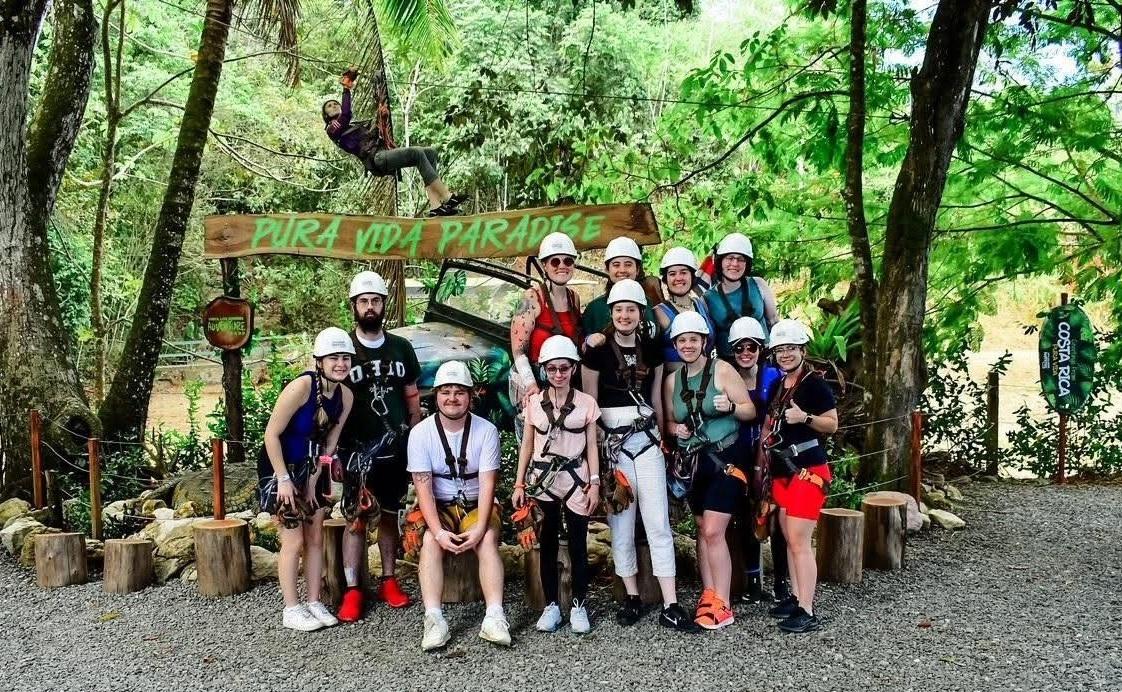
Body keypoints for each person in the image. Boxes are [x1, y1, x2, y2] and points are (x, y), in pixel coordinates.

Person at [581, 280, 698, 632]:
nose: (625, 315)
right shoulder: (597, 352)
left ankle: (671, 602)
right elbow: (590, 402)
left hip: (646, 437)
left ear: (639, 313)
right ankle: (631, 595)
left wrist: (664, 436)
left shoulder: (653, 349)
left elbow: (658, 396)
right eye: (619, 310)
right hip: (613, 441)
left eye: (631, 309)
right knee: (621, 522)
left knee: (658, 520)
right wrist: (597, 448)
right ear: (611, 313)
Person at [405, 361, 510, 651]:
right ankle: (434, 618)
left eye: (459, 392)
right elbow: (423, 487)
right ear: (436, 395)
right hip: (438, 504)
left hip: (477, 502)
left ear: (470, 396)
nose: (452, 398)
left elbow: (488, 484)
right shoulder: (421, 434)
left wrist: (478, 529)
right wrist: (438, 532)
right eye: (446, 392)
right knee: (429, 540)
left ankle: (494, 616)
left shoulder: (486, 431)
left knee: (487, 537)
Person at [337, 270, 423, 621]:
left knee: (389, 514)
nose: (370, 307)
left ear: (383, 304)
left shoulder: (401, 347)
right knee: (356, 517)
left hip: (396, 446)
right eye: (363, 302)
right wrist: (333, 452)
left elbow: (412, 395)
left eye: (375, 301)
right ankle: (354, 588)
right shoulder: (344, 348)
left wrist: (416, 437)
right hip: (356, 449)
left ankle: (388, 579)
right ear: (354, 306)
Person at [257, 327, 355, 631]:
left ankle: (313, 600)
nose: (340, 364)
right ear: (319, 360)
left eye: (345, 358)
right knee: (293, 537)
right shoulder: (301, 387)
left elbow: (329, 446)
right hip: (280, 465)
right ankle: (291, 607)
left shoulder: (345, 396)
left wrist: (315, 480)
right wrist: (284, 479)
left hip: (313, 467)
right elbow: (271, 435)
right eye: (334, 358)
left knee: (315, 535)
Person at [663, 312, 754, 630]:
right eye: (682, 340)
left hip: (724, 459)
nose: (687, 345)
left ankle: (724, 603)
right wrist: (676, 429)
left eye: (693, 339)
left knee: (715, 531)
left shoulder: (723, 370)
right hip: (694, 463)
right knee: (703, 529)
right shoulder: (672, 381)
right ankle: (710, 593)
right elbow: (668, 421)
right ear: (675, 344)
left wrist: (731, 406)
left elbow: (749, 409)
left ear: (704, 342)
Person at [512, 335, 600, 634]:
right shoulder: (535, 405)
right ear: (544, 370)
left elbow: (592, 446)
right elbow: (527, 444)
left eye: (564, 368)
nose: (558, 374)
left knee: (578, 543)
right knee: (547, 542)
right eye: (552, 369)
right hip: (543, 479)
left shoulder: (586, 403)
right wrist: (519, 483)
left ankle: (578, 605)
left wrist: (596, 483)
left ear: (573, 368)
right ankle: (551, 604)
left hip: (577, 478)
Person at [760, 319, 839, 634]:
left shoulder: (813, 385)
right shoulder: (782, 385)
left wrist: (805, 417)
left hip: (807, 471)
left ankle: (807, 608)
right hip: (783, 472)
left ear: (802, 350)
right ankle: (796, 597)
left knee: (799, 541)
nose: (785, 354)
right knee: (788, 537)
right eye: (780, 350)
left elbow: (832, 424)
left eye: (790, 348)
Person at [322, 68, 466, 217]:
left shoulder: (353, 126)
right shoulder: (332, 130)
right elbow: (346, 115)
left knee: (430, 152)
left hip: (383, 153)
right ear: (326, 115)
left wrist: (381, 113)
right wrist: (346, 89)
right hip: (376, 158)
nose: (333, 106)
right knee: (415, 153)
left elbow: (369, 127)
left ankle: (436, 206)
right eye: (329, 106)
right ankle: (447, 197)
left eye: (335, 104)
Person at [724, 317, 789, 605]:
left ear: (761, 348)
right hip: (739, 453)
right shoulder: (726, 376)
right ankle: (752, 580)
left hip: (771, 455)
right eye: (739, 348)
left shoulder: (774, 377)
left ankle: (781, 581)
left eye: (751, 347)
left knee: (776, 519)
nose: (745, 353)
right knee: (745, 516)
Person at [509, 232, 585, 415]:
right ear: (545, 265)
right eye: (555, 261)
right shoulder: (533, 298)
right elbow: (518, 351)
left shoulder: (574, 298)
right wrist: (531, 384)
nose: (562, 266)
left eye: (568, 261)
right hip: (536, 380)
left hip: (564, 381)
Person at [703, 233, 779, 357]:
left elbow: (774, 321)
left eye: (740, 259)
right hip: (729, 364)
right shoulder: (707, 298)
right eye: (730, 258)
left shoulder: (758, 284)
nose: (735, 263)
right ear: (720, 261)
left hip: (764, 358)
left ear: (746, 263)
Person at [580, 237, 661, 343]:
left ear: (637, 270)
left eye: (628, 264)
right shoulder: (595, 309)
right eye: (616, 265)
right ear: (607, 270)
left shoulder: (648, 303)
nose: (622, 270)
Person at [653, 246, 715, 375]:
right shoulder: (658, 313)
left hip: (707, 380)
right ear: (666, 279)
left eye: (683, 272)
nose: (678, 278)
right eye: (672, 274)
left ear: (692, 276)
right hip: (674, 385)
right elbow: (653, 360)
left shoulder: (702, 304)